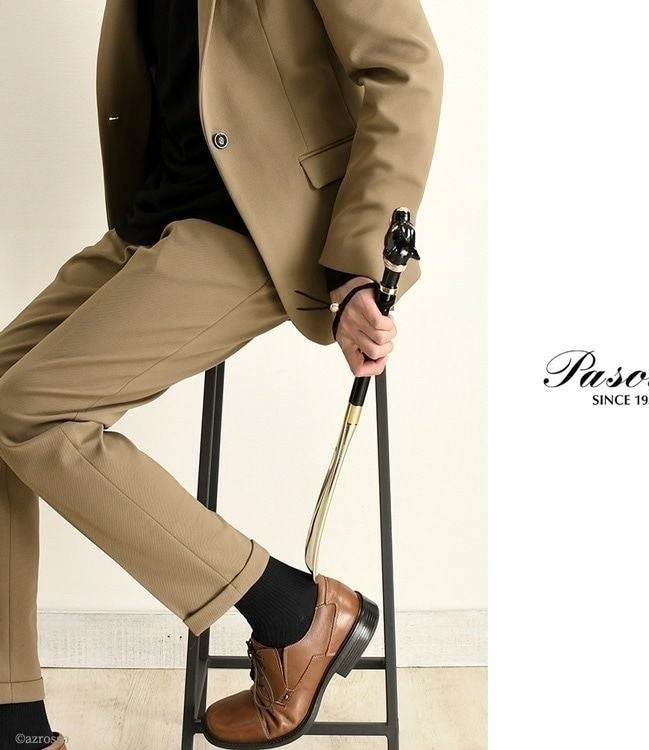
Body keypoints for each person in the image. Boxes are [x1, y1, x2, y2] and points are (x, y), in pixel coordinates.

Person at [0, 0, 443, 747]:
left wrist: (358, 261)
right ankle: (13, 720)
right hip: (155, 218)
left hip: (260, 229)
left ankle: (293, 614)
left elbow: (406, 67)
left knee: (30, 411)